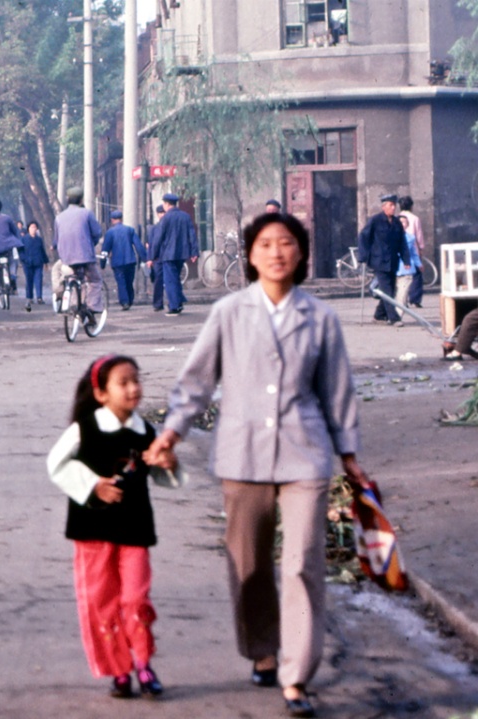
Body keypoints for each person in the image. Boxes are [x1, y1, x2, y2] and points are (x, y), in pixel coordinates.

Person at [147, 212, 369, 719]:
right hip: (242, 454)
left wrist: (350, 456)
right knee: (248, 563)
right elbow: (197, 381)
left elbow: (338, 391)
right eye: (265, 244)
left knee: (302, 562)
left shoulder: (321, 317)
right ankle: (263, 650)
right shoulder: (228, 312)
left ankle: (296, 676)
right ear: (250, 255)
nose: (276, 252)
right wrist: (170, 433)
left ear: (300, 253)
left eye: (286, 243)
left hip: (305, 453)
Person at [46, 354, 167, 700]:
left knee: (135, 597)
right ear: (101, 394)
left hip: (134, 527)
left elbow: (159, 474)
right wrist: (92, 485)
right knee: (101, 601)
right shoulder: (85, 428)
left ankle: (143, 662)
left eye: (136, 380)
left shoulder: (145, 431)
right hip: (92, 529)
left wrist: (166, 462)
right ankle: (118, 669)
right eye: (123, 382)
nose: (133, 388)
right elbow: (56, 464)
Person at [358, 193, 410, 326]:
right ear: (384, 207)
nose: (393, 208)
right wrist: (363, 256)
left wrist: (406, 260)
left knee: (390, 289)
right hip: (378, 260)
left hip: (393, 260)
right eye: (391, 205)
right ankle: (394, 318)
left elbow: (402, 243)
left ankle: (379, 315)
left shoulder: (397, 222)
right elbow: (363, 237)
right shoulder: (375, 220)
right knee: (387, 289)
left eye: (394, 205)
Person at [55, 187, 104, 318]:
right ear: (81, 200)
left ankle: (74, 304)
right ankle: (92, 306)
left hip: (66, 257)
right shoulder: (87, 213)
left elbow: (57, 238)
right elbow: (97, 233)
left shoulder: (59, 217)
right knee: (94, 280)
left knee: (73, 278)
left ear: (67, 200)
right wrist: (90, 244)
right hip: (85, 255)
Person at [146, 193, 198, 316]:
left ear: (166, 204)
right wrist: (194, 252)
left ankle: (174, 306)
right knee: (176, 278)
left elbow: (158, 238)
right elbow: (192, 235)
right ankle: (179, 302)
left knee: (170, 280)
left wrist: (152, 256)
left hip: (168, 254)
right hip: (182, 254)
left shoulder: (166, 218)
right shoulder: (185, 216)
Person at [102, 210, 147, 310]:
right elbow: (138, 245)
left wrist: (102, 263)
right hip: (130, 260)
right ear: (121, 219)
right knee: (129, 281)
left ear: (112, 220)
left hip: (117, 262)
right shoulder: (130, 230)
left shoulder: (110, 232)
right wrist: (144, 258)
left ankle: (125, 302)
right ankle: (130, 299)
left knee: (121, 282)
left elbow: (105, 249)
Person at [398, 196, 425, 307]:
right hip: (412, 249)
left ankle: (402, 299)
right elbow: (418, 235)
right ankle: (414, 299)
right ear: (411, 206)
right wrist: (421, 248)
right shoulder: (414, 218)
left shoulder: (396, 218)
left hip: (399, 251)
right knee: (417, 275)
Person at [394, 215, 421, 316]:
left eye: (404, 222)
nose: (402, 224)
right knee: (394, 294)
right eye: (400, 222)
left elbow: (413, 253)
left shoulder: (410, 237)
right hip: (393, 269)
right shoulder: (391, 236)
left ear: (407, 224)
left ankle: (398, 315)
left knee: (402, 294)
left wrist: (418, 264)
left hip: (406, 269)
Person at [21, 221, 50, 309]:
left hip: (38, 262)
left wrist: (45, 262)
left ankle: (39, 297)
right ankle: (29, 297)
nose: (33, 229)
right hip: (28, 263)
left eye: (35, 227)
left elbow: (42, 251)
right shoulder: (24, 239)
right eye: (31, 227)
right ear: (28, 229)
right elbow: (20, 251)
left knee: (38, 280)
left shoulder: (39, 239)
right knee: (29, 280)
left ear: (37, 229)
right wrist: (23, 260)